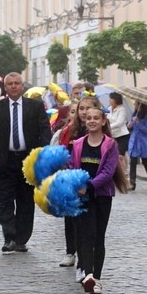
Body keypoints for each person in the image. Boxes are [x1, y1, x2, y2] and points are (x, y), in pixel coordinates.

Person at [0, 72, 52, 253]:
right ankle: (9, 237)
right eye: (10, 84)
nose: (14, 86)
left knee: (25, 201)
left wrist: (42, 155)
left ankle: (22, 238)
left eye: (17, 83)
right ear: (5, 87)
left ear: (22, 86)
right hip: (4, 161)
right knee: (6, 201)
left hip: (28, 161)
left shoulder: (35, 106)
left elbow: (45, 131)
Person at [69, 107, 129, 294]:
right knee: (86, 234)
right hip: (82, 197)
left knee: (98, 236)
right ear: (85, 121)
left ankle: (97, 277)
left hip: (102, 196)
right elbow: (72, 165)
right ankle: (88, 275)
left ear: (104, 121)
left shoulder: (110, 145)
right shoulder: (78, 143)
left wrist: (90, 186)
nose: (92, 121)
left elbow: (108, 172)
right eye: (89, 118)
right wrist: (74, 183)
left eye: (96, 118)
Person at [51, 96, 100, 274]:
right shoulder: (69, 131)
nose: (85, 112)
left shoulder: (100, 130)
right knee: (71, 218)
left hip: (94, 181)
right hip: (71, 180)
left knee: (89, 223)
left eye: (89, 108)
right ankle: (71, 251)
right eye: (81, 108)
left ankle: (87, 258)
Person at [127, 101, 147, 190]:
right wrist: (130, 125)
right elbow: (131, 128)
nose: (134, 105)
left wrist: (138, 122)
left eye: (135, 103)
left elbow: (146, 130)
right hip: (135, 140)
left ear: (140, 105)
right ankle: (132, 184)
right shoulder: (135, 113)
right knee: (132, 161)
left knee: (146, 162)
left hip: (143, 141)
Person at [107, 92, 130, 173]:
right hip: (113, 135)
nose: (109, 100)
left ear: (116, 100)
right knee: (116, 155)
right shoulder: (109, 109)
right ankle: (122, 170)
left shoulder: (122, 109)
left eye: (111, 98)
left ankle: (124, 173)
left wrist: (109, 126)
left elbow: (119, 123)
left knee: (121, 155)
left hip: (122, 135)